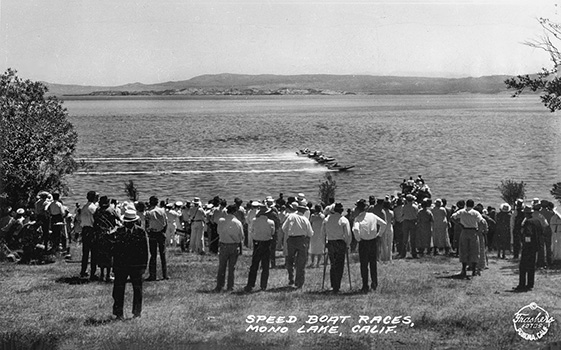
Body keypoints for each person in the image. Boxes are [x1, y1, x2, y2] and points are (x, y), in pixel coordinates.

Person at [112, 209, 149, 319]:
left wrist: (143, 266)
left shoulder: (141, 232)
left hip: (136, 266)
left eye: (130, 222)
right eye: (127, 222)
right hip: (121, 265)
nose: (128, 224)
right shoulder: (119, 232)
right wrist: (115, 266)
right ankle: (118, 313)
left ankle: (137, 312)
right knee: (118, 290)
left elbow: (144, 251)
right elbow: (115, 250)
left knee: (137, 290)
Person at [353, 199, 386, 293]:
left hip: (363, 243)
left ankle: (365, 285)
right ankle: (374, 283)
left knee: (364, 265)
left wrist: (358, 239)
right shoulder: (372, 216)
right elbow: (383, 224)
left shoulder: (357, 219)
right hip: (373, 241)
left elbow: (355, 230)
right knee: (373, 263)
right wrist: (379, 235)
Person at [450, 199, 485, 278]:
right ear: (473, 205)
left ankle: (463, 269)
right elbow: (482, 221)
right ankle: (473, 270)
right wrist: (480, 230)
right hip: (473, 232)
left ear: (466, 204)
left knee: (464, 250)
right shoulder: (476, 213)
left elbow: (452, 217)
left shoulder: (462, 211)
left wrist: (459, 224)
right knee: (474, 250)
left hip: (464, 231)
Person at [282, 202, 314, 289]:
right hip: (301, 240)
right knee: (301, 262)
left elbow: (284, 228)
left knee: (290, 259)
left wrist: (290, 234)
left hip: (291, 239)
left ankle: (291, 278)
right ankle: (299, 282)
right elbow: (310, 233)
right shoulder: (305, 220)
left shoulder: (291, 216)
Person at [244, 204, 275, 292]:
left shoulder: (254, 220)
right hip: (266, 243)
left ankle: (250, 284)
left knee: (254, 265)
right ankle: (263, 285)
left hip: (257, 243)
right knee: (265, 266)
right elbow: (272, 232)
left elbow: (252, 230)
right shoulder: (270, 222)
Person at [322, 203, 351, 293]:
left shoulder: (326, 220)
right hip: (340, 243)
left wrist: (324, 243)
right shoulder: (344, 220)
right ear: (341, 211)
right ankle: (336, 285)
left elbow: (322, 233)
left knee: (333, 264)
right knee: (339, 264)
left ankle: (333, 284)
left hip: (330, 242)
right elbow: (348, 234)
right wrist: (347, 244)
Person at [215, 205, 244, 292]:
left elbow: (218, 232)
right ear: (235, 212)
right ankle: (230, 286)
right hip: (234, 245)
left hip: (223, 245)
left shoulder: (221, 221)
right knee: (232, 268)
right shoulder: (238, 222)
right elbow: (241, 236)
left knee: (222, 267)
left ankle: (219, 285)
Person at [513, 206, 543, 291]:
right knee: (531, 266)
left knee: (523, 266)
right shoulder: (537, 221)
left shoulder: (528, 222)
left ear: (526, 213)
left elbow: (528, 234)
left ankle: (522, 284)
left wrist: (525, 244)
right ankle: (530, 284)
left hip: (528, 247)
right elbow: (541, 232)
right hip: (535, 246)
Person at [94, 196, 122, 282]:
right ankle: (108, 275)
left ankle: (102, 274)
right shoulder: (111, 210)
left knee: (101, 255)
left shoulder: (98, 211)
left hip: (100, 235)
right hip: (110, 234)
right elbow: (118, 218)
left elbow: (95, 221)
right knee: (109, 255)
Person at [145, 196, 168, 281]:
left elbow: (146, 225)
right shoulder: (162, 210)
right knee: (163, 254)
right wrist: (163, 231)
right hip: (161, 232)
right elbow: (166, 222)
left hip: (153, 233)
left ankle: (153, 275)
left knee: (153, 255)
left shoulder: (148, 212)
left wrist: (148, 233)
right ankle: (165, 274)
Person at [80, 191, 99, 280]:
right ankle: (92, 273)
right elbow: (96, 220)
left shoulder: (84, 207)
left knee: (85, 253)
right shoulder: (94, 208)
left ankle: (83, 271)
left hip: (84, 230)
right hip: (91, 230)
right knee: (94, 253)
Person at [400, 194, 418, 259]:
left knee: (405, 238)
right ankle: (414, 253)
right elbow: (417, 215)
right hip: (413, 222)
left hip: (406, 222)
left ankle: (403, 253)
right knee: (413, 238)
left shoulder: (403, 207)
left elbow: (401, 214)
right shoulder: (415, 207)